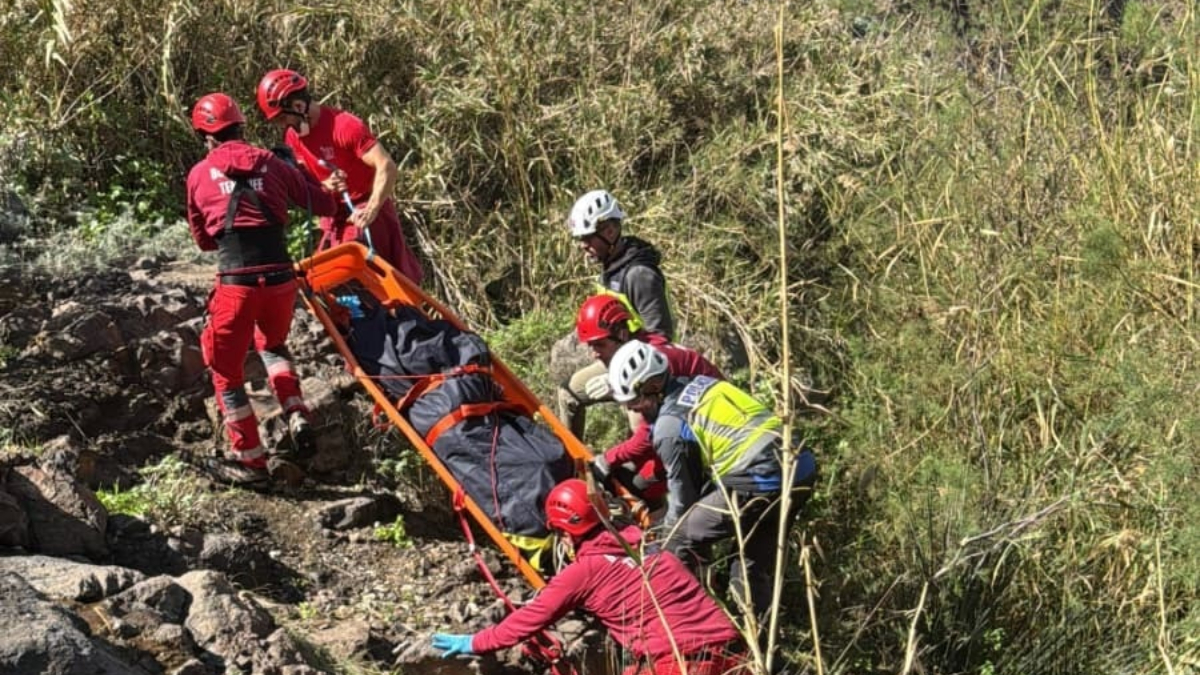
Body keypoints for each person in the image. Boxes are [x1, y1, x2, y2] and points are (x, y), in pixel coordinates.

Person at [429, 478, 747, 675]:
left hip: (678, 663)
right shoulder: (651, 546)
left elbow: (528, 620)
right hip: (735, 653)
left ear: (565, 533)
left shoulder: (584, 572)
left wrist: (475, 641)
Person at [186, 92, 340, 485]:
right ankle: (296, 411)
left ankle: (251, 461)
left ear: (206, 135)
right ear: (241, 126)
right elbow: (322, 204)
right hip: (280, 281)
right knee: (272, 345)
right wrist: (312, 178)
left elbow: (204, 241)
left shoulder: (199, 175)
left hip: (237, 283)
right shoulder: (272, 162)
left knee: (226, 371)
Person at [606, 340, 818, 624]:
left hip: (761, 479)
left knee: (680, 536)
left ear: (653, 386)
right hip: (800, 469)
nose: (634, 410)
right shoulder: (702, 384)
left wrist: (659, 545)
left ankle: (687, 622)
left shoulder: (668, 427)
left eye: (635, 401)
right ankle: (765, 653)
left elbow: (683, 503)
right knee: (747, 567)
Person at [255, 68, 423, 284]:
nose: (283, 125)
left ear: (298, 106)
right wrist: (325, 184)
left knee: (368, 277)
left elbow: (386, 166)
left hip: (364, 211)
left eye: (283, 118)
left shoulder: (345, 126)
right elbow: (306, 181)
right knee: (324, 278)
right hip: (334, 216)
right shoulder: (293, 137)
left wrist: (371, 210)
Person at [574, 294, 722, 503]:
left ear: (622, 334)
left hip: (707, 428)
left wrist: (607, 459)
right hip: (686, 418)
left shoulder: (654, 365)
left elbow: (647, 437)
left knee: (643, 485)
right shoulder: (642, 351)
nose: (594, 354)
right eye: (591, 346)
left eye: (599, 345)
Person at [558, 189, 674, 441]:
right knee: (569, 394)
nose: (583, 246)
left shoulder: (640, 276)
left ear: (609, 232)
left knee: (640, 433)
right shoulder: (611, 267)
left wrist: (618, 380)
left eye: (588, 238)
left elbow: (661, 339)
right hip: (615, 358)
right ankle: (572, 462)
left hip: (642, 369)